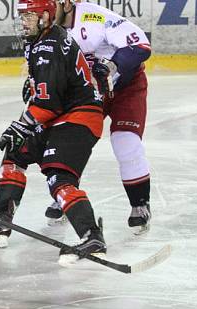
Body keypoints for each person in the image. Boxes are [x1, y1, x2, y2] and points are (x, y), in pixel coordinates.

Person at [0, 0, 106, 265]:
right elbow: (51, 86)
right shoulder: (42, 38)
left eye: (30, 16)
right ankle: (2, 220)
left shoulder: (47, 45)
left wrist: (21, 125)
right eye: (23, 16)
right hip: (61, 114)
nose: (24, 21)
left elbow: (49, 104)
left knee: (58, 176)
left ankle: (92, 236)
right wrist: (35, 85)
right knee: (16, 152)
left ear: (47, 17)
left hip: (78, 117)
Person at [48, 0, 152, 235]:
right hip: (87, 90)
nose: (45, 9)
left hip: (126, 87)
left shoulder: (93, 18)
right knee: (72, 140)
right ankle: (66, 195)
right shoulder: (48, 30)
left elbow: (140, 44)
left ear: (65, 4)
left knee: (126, 142)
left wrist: (112, 66)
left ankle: (140, 204)